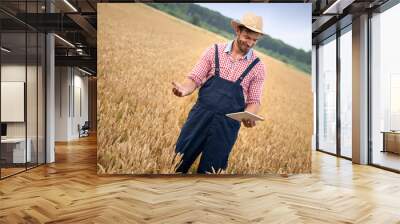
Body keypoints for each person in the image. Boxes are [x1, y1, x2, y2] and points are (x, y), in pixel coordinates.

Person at [171, 12, 266, 174]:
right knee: (176, 163)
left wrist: (248, 116)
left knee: (211, 173)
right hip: (199, 117)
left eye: (254, 40)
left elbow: (254, 100)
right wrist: (184, 89)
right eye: (247, 37)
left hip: (227, 127)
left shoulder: (258, 66)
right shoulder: (214, 51)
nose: (250, 43)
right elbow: (195, 78)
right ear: (238, 31)